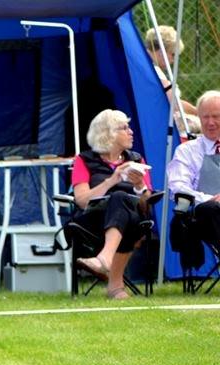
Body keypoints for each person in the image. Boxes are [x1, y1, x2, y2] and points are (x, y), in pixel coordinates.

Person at [72, 109, 154, 300]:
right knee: (117, 196)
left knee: (121, 199)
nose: (130, 131)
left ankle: (104, 260)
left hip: (134, 218)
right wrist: (112, 180)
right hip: (95, 219)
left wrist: (140, 185)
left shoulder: (136, 160)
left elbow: (147, 202)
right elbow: (82, 200)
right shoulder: (84, 160)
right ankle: (115, 286)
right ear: (107, 133)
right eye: (124, 127)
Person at [167, 91, 220, 248]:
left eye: (216, 116)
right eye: (205, 116)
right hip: (205, 217)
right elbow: (178, 188)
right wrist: (211, 199)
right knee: (210, 209)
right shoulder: (186, 151)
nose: (210, 122)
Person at [144, 26, 199, 137]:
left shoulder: (146, 66)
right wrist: (199, 113)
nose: (173, 60)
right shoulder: (153, 71)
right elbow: (175, 103)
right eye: (172, 54)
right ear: (161, 51)